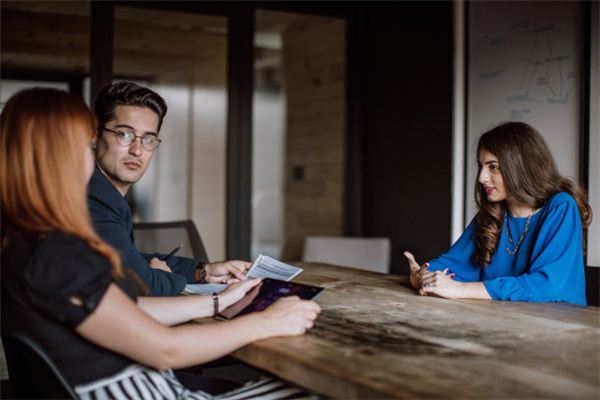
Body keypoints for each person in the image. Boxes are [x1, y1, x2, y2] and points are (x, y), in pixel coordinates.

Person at [0, 88, 321, 399]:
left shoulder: (24, 242)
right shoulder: (58, 254)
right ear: (57, 157)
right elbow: (165, 349)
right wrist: (267, 321)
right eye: (86, 145)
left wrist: (218, 301)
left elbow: (124, 310)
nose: (91, 154)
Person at [404, 122, 592, 305]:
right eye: (481, 166)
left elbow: (547, 285)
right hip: (504, 325)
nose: (482, 178)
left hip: (559, 329)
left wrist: (460, 288)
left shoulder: (560, 207)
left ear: (521, 167)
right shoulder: (492, 215)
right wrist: (422, 276)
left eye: (493, 167)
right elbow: (453, 265)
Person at [89, 81, 248, 296]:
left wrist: (204, 272)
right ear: (95, 136)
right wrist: (160, 277)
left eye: (148, 139)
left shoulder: (106, 193)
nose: (137, 150)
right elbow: (145, 286)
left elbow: (129, 259)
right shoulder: (95, 197)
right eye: (124, 134)